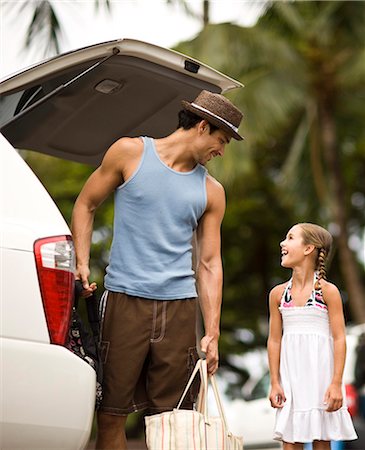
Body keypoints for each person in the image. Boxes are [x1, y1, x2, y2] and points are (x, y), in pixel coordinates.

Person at [71, 90, 243, 450]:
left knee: (177, 421)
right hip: (124, 302)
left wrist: (212, 333)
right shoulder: (129, 153)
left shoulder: (212, 192)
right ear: (201, 126)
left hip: (179, 310)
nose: (221, 151)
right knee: (111, 414)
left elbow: (210, 264)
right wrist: (82, 261)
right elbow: (86, 203)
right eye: (221, 140)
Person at [267, 223, 357, 450]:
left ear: (308, 248)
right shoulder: (278, 295)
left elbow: (339, 338)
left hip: (320, 378)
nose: (282, 243)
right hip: (291, 381)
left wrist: (336, 383)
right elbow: (274, 340)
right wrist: (275, 382)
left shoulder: (328, 292)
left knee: (321, 441)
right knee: (290, 442)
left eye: (290, 238)